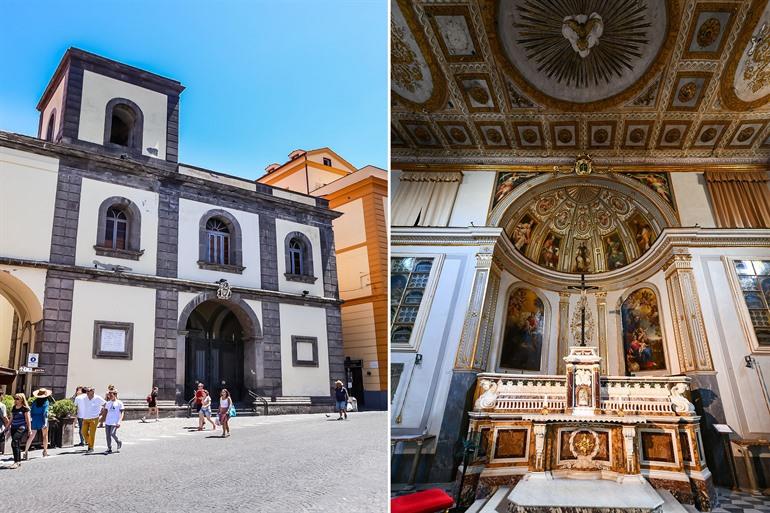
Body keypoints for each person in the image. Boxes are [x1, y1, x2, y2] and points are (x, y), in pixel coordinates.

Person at [24, 388, 54, 459]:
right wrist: (45, 423)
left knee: (31, 436)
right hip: (42, 419)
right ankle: (45, 451)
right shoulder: (46, 402)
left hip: (34, 419)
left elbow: (31, 411)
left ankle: (25, 451)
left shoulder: (35, 402)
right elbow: (45, 413)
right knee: (45, 436)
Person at [8, 393, 30, 469]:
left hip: (21, 427)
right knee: (16, 444)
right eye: (15, 398)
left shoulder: (25, 408)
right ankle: (18, 461)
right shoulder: (14, 407)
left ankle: (16, 462)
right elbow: (11, 419)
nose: (16, 400)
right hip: (13, 427)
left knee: (14, 442)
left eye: (17, 399)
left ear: (22, 400)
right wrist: (7, 427)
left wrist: (29, 429)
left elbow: (28, 420)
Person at [81, 387, 105, 453]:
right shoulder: (84, 398)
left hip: (94, 418)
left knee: (92, 434)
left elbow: (105, 404)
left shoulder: (98, 398)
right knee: (83, 432)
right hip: (85, 418)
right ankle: (90, 442)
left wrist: (102, 413)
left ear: (93, 391)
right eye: (87, 391)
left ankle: (91, 447)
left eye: (89, 391)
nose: (87, 392)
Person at [101, 389, 124, 454]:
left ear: (115, 395)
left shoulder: (119, 403)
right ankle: (109, 448)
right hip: (108, 421)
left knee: (112, 433)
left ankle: (118, 441)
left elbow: (122, 413)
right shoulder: (108, 403)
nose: (110, 396)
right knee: (107, 436)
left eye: (111, 395)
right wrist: (101, 419)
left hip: (115, 422)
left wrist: (119, 421)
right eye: (109, 395)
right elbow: (105, 412)